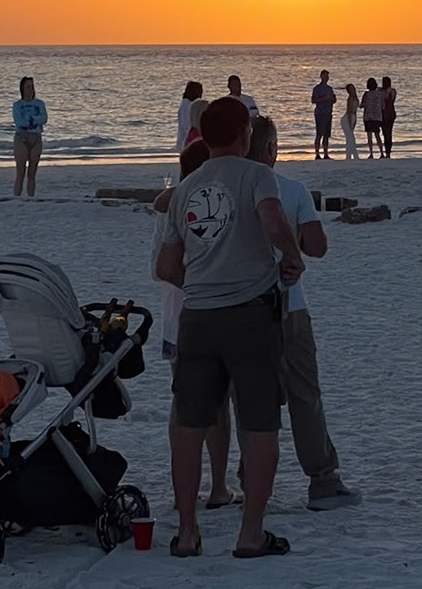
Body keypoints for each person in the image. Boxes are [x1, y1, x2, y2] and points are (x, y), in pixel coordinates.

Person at [154, 96, 304, 559]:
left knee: (189, 425)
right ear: (243, 135)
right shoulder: (256, 175)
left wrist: (201, 281)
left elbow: (165, 265)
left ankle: (186, 531)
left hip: (197, 318)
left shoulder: (186, 188)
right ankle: (250, 533)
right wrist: (292, 256)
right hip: (248, 314)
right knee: (260, 425)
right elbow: (273, 220)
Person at [247, 117, 360, 509]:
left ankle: (251, 479)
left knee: (253, 399)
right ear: (271, 149)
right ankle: (322, 480)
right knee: (305, 395)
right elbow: (318, 246)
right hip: (289, 306)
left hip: (243, 308)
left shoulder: (233, 189)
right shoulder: (292, 191)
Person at [152, 141, 238, 510]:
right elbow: (166, 269)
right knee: (215, 404)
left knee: (185, 405)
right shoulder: (211, 204)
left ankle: (192, 488)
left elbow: (161, 267)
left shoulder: (171, 206)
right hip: (205, 314)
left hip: (179, 319)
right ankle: (216, 485)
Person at [12, 76, 47, 198]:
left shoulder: (39, 103)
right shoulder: (18, 105)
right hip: (22, 138)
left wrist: (33, 119)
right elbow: (20, 121)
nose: (30, 89)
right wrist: (32, 120)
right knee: (20, 171)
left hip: (36, 138)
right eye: (28, 86)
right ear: (22, 88)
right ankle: (17, 196)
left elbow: (44, 118)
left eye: (32, 86)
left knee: (32, 172)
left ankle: (31, 196)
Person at [310, 71, 337, 161]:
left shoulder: (330, 88)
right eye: (325, 76)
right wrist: (324, 99)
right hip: (320, 112)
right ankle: (317, 154)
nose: (327, 78)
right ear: (321, 76)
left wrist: (332, 99)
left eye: (327, 76)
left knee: (326, 134)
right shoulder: (317, 88)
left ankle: (326, 153)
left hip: (328, 112)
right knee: (319, 134)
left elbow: (333, 100)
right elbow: (313, 100)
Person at [177, 81, 205, 149]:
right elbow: (186, 125)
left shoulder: (186, 104)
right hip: (188, 140)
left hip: (184, 140)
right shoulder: (188, 105)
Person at [360, 78, 382, 157]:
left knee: (369, 136)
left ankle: (371, 153)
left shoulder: (366, 94)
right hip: (377, 116)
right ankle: (382, 152)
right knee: (377, 135)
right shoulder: (379, 94)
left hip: (368, 116)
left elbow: (362, 105)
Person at [378, 75, 398, 157]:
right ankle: (388, 152)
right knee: (388, 133)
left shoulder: (384, 92)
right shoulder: (392, 91)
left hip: (385, 114)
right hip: (390, 114)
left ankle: (387, 151)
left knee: (386, 133)